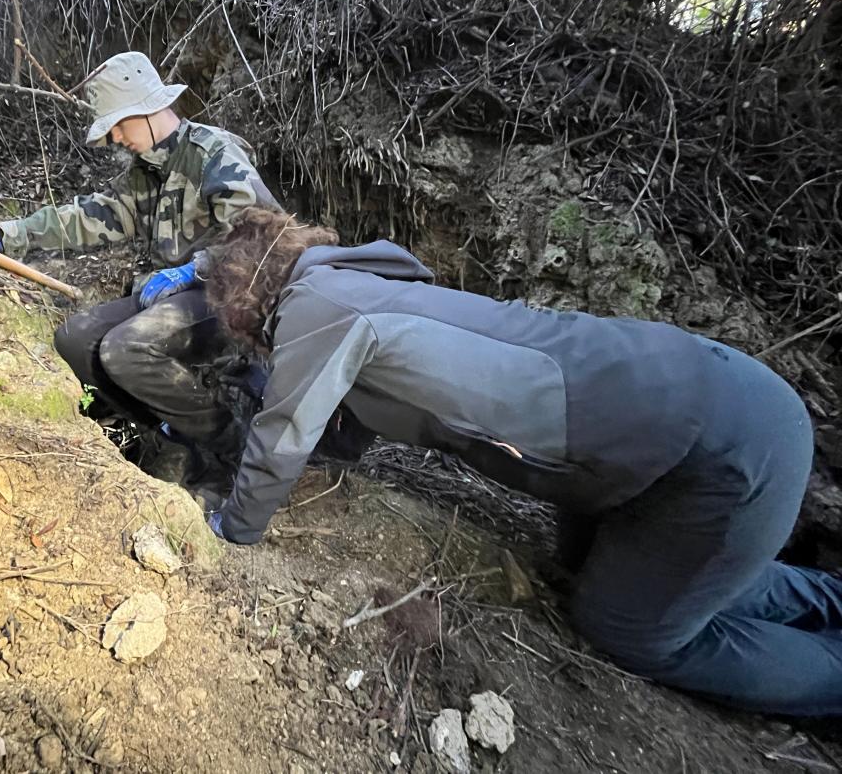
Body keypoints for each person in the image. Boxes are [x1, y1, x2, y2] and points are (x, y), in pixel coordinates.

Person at [201, 206, 842, 716]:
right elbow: (356, 418)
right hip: (686, 417)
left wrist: (233, 528)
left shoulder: (321, 309)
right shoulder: (355, 283)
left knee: (628, 628)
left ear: (243, 300)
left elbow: (284, 429)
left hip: (720, 449)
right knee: (598, 570)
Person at [0, 52, 279, 486]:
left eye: (119, 123)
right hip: (168, 297)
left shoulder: (213, 154)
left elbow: (264, 237)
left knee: (124, 348)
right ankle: (168, 436)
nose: (115, 136)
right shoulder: (146, 170)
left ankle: (233, 450)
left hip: (227, 302)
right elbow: (90, 216)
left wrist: (193, 271)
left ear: (148, 109)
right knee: (75, 340)